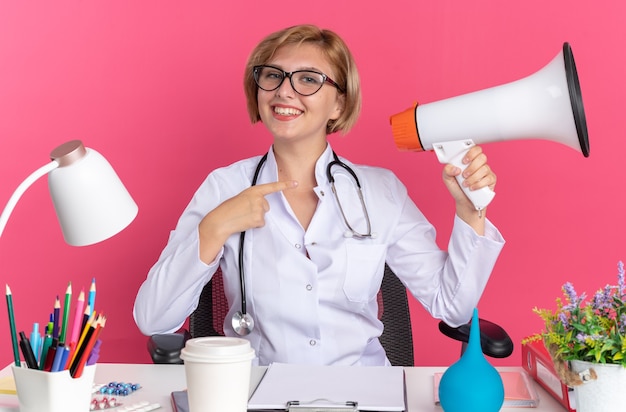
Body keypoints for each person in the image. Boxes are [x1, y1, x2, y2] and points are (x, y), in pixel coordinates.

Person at [133, 24, 505, 366]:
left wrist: (470, 212)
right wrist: (214, 228)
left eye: (308, 79)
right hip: (259, 394)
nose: (284, 90)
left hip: (364, 397)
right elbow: (154, 318)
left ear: (339, 104)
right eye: (272, 76)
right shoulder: (224, 187)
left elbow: (452, 307)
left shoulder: (379, 191)